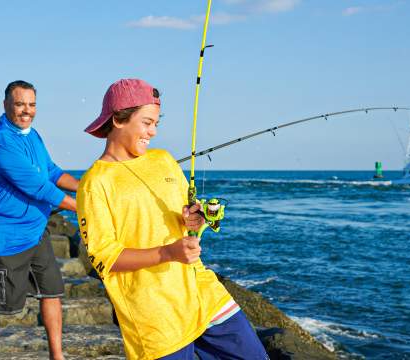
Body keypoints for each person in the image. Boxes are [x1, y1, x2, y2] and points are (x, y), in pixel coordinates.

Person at [77, 79, 269, 359]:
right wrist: (168, 253)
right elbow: (105, 258)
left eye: (156, 123)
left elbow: (186, 220)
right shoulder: (95, 184)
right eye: (146, 123)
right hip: (154, 316)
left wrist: (195, 220)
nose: (152, 132)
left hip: (203, 293)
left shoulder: (164, 160)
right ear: (118, 119)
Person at [0, 80, 79, 360]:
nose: (26, 111)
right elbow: (40, 187)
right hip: (4, 237)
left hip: (35, 230)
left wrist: (89, 190)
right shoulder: (1, 143)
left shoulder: (32, 135)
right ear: (5, 105)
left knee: (51, 291)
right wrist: (84, 208)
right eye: (19, 104)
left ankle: (57, 356)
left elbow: (51, 172)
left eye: (31, 104)